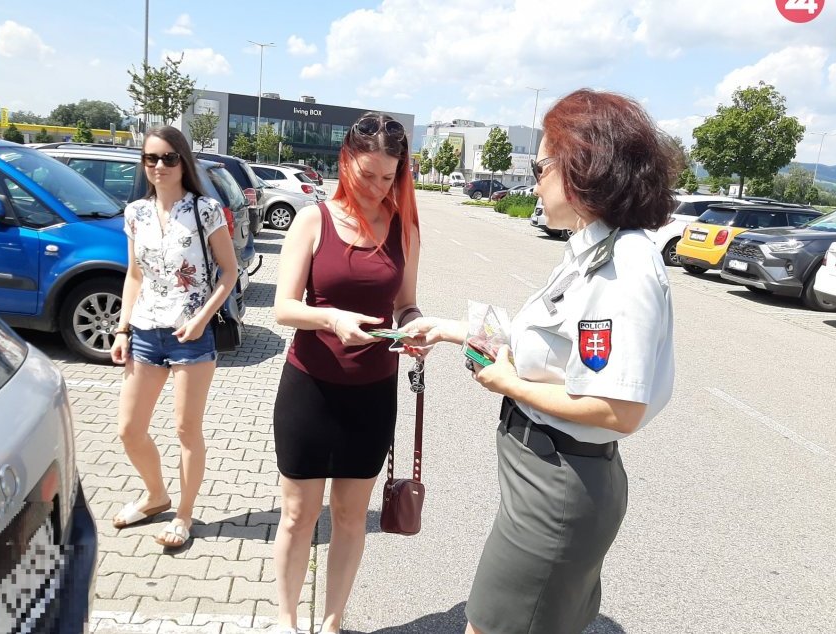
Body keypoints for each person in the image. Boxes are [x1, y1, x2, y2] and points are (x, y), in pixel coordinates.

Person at [403, 89, 678, 634]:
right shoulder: (592, 249)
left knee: (488, 626)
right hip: (545, 478)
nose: (534, 180)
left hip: (557, 489)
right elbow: (552, 350)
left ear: (583, 167)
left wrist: (508, 383)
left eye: (542, 164)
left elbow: (615, 408)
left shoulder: (623, 267)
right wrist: (455, 331)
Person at [271, 112, 422, 634]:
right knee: (298, 516)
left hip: (372, 395)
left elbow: (406, 305)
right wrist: (332, 318)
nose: (379, 187)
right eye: (369, 175)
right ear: (346, 162)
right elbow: (284, 308)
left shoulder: (404, 227)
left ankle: (333, 622)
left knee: (352, 517)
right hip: (309, 390)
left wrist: (416, 328)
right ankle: (288, 622)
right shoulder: (313, 219)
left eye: (390, 177)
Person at [109, 125, 239, 550]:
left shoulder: (205, 210)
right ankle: (155, 495)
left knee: (186, 430)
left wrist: (202, 319)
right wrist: (123, 327)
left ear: (183, 161)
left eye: (168, 158)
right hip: (145, 332)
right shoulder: (135, 213)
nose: (159, 166)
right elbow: (133, 274)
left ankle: (183, 514)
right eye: (151, 158)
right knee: (129, 429)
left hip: (191, 334)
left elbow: (229, 271)